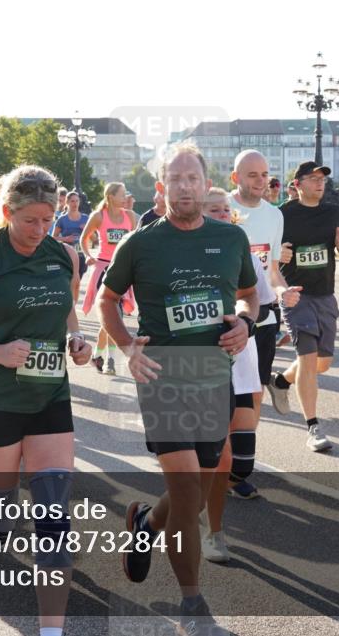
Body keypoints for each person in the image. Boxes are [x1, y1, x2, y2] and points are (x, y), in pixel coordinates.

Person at [99, 142, 258, 634]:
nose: (185, 186)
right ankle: (194, 603)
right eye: (176, 178)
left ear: (207, 184)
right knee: (188, 489)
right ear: (161, 185)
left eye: (193, 178)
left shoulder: (231, 239)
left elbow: (250, 296)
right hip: (163, 377)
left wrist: (246, 325)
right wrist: (127, 347)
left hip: (214, 378)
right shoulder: (140, 243)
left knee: (193, 489)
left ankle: (146, 524)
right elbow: (107, 300)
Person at [0, 165, 92, 635]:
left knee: (53, 517)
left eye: (47, 220)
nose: (40, 230)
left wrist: (76, 340)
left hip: (50, 397)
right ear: (7, 213)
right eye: (30, 220)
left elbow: (65, 306)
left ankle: (51, 631)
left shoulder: (65, 256)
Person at [200, 188, 272, 562]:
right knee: (218, 455)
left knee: (240, 464)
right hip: (201, 367)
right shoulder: (185, 252)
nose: (225, 214)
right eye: (215, 209)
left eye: (227, 209)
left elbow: (258, 299)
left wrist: (248, 322)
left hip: (242, 362)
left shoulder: (240, 249)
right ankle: (209, 528)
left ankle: (162, 515)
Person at [226, 150, 296, 499]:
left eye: (265, 174)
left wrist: (282, 292)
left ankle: (239, 465)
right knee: (228, 398)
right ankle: (223, 462)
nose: (261, 181)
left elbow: (270, 269)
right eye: (252, 174)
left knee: (253, 395)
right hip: (229, 318)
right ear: (235, 177)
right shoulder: (220, 208)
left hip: (263, 315)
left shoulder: (275, 215)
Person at [266, 161, 339, 452]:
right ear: (297, 184)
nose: (319, 183)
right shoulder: (282, 215)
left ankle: (280, 381)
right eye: (313, 179)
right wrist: (282, 254)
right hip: (295, 295)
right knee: (309, 358)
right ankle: (313, 427)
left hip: (326, 294)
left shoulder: (334, 212)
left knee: (321, 363)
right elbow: (270, 253)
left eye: (322, 179)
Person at [80, 182, 138, 375]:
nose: (126, 198)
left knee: (111, 318)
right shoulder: (98, 216)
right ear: (111, 196)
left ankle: (98, 354)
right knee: (114, 315)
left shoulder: (129, 216)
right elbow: (83, 238)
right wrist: (88, 255)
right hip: (103, 268)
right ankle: (110, 361)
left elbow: (144, 230)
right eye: (122, 195)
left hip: (123, 269)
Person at [52, 191, 89, 280]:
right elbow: (53, 238)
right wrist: (65, 239)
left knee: (77, 282)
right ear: (67, 202)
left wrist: (86, 230)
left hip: (81, 255)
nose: (75, 203)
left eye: (77, 201)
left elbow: (95, 239)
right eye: (72, 201)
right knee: (68, 282)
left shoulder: (86, 218)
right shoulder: (62, 219)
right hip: (66, 255)